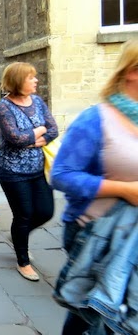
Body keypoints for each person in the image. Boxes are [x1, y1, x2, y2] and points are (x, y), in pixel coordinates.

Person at [51, 39, 138, 334]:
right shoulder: (96, 119)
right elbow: (61, 175)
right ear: (132, 71)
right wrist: (124, 190)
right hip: (96, 233)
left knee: (122, 311)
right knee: (92, 312)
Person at [0, 62, 58, 282]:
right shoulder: (4, 106)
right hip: (12, 172)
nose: (36, 80)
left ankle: (18, 236)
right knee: (23, 215)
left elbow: (54, 129)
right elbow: (16, 138)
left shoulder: (38, 102)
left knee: (46, 211)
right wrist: (40, 130)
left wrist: (33, 140)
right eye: (30, 77)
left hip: (38, 169)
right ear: (17, 81)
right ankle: (23, 261)